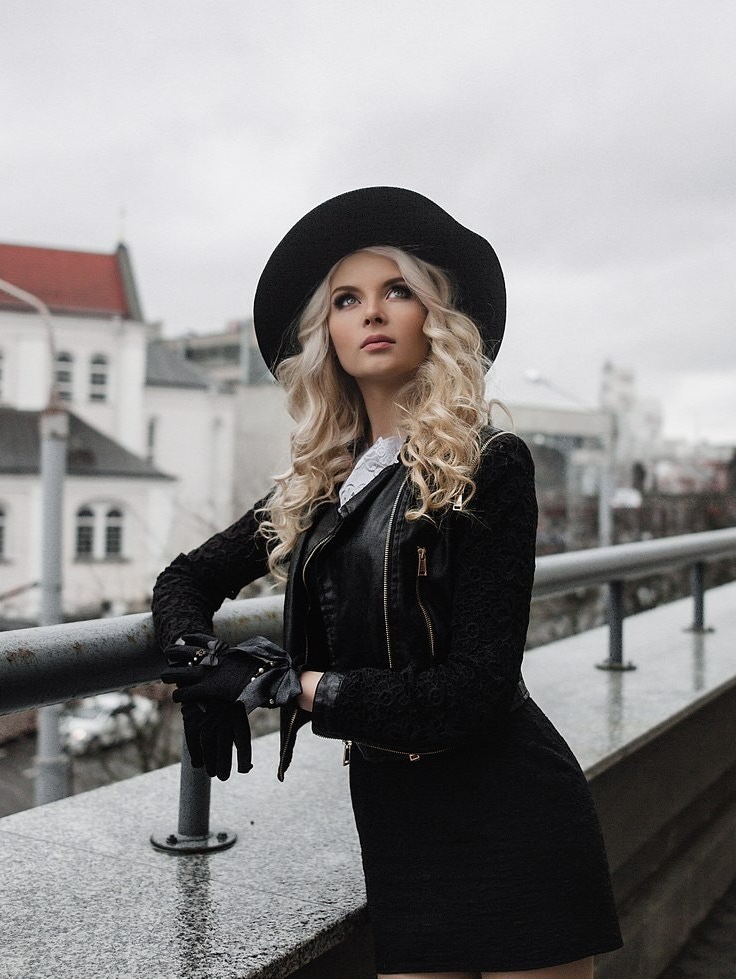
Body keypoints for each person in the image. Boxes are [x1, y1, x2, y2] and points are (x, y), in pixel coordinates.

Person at [151, 187, 622, 978]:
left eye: (395, 290)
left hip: (510, 809)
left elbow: (474, 686)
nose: (371, 312)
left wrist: (291, 687)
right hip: (396, 817)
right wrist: (200, 663)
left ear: (430, 317)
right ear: (325, 332)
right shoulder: (317, 486)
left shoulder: (487, 464)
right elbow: (187, 577)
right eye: (347, 298)